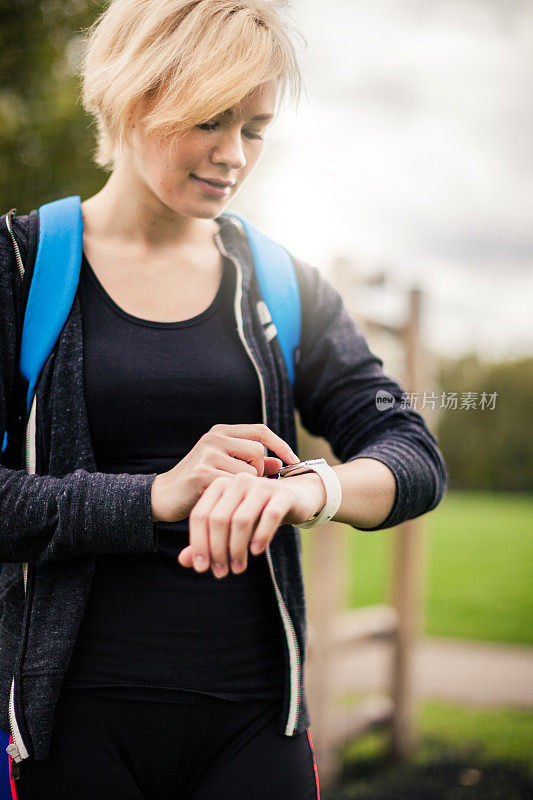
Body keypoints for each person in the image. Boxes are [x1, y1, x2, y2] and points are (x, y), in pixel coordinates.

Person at [0, 1, 448, 798]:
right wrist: (154, 498)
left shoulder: (285, 284)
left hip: (255, 725)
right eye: (209, 120)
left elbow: (410, 452)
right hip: (72, 723)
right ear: (135, 97)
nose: (233, 155)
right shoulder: (19, 268)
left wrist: (315, 489)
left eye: (255, 127)